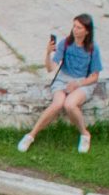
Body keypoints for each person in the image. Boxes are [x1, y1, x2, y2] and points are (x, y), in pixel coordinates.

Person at [19, 15, 102, 154]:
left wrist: (77, 84)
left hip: (83, 82)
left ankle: (84, 134)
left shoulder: (93, 48)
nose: (75, 30)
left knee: (70, 105)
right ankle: (31, 135)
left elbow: (94, 76)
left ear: (87, 31)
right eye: (74, 26)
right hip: (63, 79)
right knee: (57, 104)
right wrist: (48, 53)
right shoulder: (66, 43)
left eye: (79, 27)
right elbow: (50, 68)